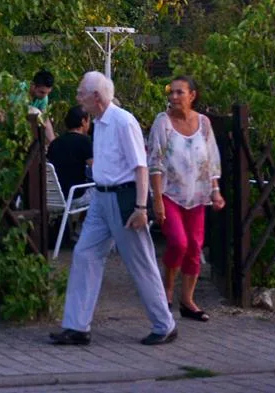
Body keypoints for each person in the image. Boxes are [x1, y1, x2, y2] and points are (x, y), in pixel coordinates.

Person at [50, 71, 177, 347]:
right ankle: (77, 326)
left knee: (140, 262)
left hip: (123, 199)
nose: (77, 97)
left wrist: (141, 207)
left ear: (96, 97)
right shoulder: (98, 122)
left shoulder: (123, 121)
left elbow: (140, 166)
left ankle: (164, 324)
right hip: (100, 197)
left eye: (81, 92)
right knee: (84, 255)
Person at [148, 75, 224, 322]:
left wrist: (215, 190)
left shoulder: (203, 123)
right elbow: (155, 162)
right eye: (172, 92)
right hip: (170, 193)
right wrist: (157, 199)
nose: (174, 97)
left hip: (197, 195)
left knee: (194, 246)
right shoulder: (163, 123)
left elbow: (211, 160)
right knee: (178, 242)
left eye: (180, 92)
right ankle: (167, 291)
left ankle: (188, 301)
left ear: (193, 95)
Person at [46, 104, 93, 196]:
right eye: (89, 121)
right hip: (75, 195)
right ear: (83, 121)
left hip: (55, 196)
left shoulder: (55, 143)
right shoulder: (84, 141)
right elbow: (95, 168)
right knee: (101, 191)